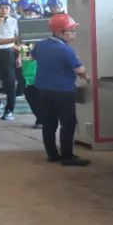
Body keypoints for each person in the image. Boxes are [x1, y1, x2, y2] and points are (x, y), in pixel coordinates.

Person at [32, 14, 89, 166]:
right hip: (63, 91)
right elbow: (80, 70)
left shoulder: (40, 45)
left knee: (49, 123)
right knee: (68, 123)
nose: (74, 34)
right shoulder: (65, 50)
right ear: (59, 32)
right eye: (71, 31)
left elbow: (34, 57)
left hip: (43, 89)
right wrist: (87, 78)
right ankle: (67, 156)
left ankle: (52, 154)